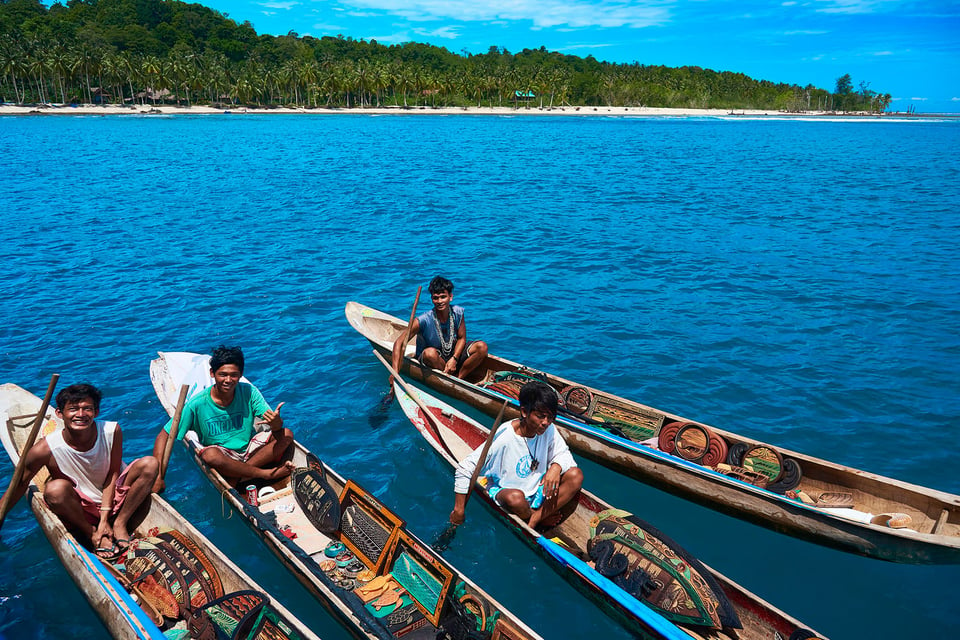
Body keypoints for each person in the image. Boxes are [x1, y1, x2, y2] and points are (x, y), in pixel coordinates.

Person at [0, 383, 159, 556]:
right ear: (59, 414)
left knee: (150, 463)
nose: (81, 414)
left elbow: (113, 474)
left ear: (96, 412)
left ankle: (120, 523)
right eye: (73, 409)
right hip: (82, 509)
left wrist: (105, 519)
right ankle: (91, 533)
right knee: (54, 490)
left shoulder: (112, 430)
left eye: (87, 409)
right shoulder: (45, 449)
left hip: (113, 496)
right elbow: (20, 484)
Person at [151, 345, 294, 493]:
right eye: (223, 375)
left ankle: (238, 477)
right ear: (212, 373)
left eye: (234, 375)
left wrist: (277, 424)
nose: (228, 380)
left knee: (287, 434)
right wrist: (158, 476)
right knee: (210, 455)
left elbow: (276, 429)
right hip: (224, 456)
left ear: (241, 374)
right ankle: (264, 474)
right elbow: (165, 435)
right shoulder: (197, 403)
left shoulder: (248, 392)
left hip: (249, 450)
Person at [450, 380, 583, 530]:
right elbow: (464, 469)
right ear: (525, 412)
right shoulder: (505, 437)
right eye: (540, 416)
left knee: (575, 475)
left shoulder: (548, 429)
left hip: (536, 492)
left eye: (550, 417)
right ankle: (538, 520)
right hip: (507, 491)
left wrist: (556, 467)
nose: (546, 422)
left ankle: (534, 519)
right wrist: (459, 511)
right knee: (516, 499)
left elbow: (565, 455)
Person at [391, 275, 488, 383]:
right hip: (433, 359)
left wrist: (454, 359)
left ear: (450, 297)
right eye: (435, 298)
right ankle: (449, 378)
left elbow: (461, 338)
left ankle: (458, 379)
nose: (439, 301)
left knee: (481, 347)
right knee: (429, 354)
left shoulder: (458, 313)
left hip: (450, 354)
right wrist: (394, 372)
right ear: (432, 299)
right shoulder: (423, 320)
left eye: (443, 297)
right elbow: (399, 343)